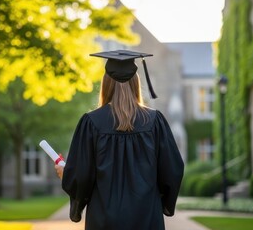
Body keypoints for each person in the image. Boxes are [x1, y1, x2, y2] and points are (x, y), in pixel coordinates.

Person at [54, 50, 184, 230]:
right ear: (136, 83)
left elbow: (81, 176)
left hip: (103, 221)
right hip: (146, 219)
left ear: (105, 84)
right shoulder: (155, 122)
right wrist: (158, 201)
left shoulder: (91, 122)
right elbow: (172, 170)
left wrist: (66, 173)